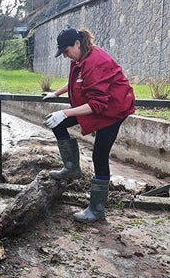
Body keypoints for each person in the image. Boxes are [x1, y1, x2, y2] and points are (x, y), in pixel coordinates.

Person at [43, 27, 135, 223]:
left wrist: (65, 112)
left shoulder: (96, 61)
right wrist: (56, 94)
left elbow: (98, 104)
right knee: (57, 124)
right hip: (94, 106)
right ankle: (72, 167)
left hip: (112, 110)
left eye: (67, 51)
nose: (66, 56)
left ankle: (96, 210)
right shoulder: (80, 58)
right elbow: (75, 81)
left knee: (99, 156)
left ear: (77, 43)